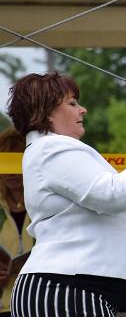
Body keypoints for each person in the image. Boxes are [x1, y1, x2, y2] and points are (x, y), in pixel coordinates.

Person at [7, 71, 126, 317]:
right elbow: (112, 195)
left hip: (78, 288)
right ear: (45, 112)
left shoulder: (61, 150)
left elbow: (122, 204)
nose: (83, 110)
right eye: (72, 103)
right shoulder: (52, 148)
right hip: (67, 290)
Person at [0, 128, 33, 317]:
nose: (11, 173)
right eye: (5, 163)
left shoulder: (46, 203)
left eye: (16, 163)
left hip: (37, 303)